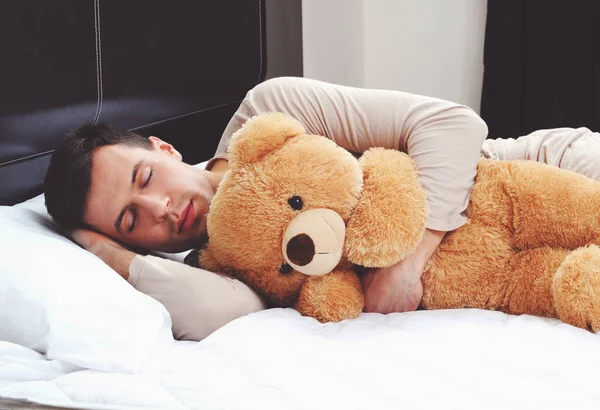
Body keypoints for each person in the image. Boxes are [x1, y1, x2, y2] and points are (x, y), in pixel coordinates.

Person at [44, 76, 600, 341]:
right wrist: (101, 252)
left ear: (164, 149)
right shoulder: (221, 264)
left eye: (145, 179)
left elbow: (452, 124)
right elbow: (222, 317)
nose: (160, 209)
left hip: (540, 178)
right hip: (504, 270)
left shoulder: (268, 112)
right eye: (129, 221)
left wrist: (407, 262)